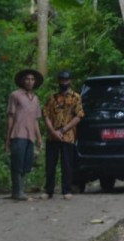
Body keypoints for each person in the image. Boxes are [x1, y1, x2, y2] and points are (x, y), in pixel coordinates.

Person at [43, 69, 84, 200]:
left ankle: (66, 190)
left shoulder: (76, 97)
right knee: (50, 165)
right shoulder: (52, 98)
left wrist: (63, 130)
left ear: (70, 81)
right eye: (61, 80)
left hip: (68, 136)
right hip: (52, 136)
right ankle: (48, 190)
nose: (63, 82)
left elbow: (79, 116)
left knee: (67, 164)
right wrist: (53, 132)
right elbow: (46, 115)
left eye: (66, 80)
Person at [6, 68, 44, 201]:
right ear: (22, 81)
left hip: (30, 135)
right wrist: (7, 138)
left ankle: (21, 190)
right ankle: (17, 191)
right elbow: (11, 117)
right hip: (18, 133)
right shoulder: (15, 95)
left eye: (32, 79)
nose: (30, 82)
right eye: (27, 79)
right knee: (17, 163)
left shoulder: (35, 99)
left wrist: (39, 138)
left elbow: (36, 120)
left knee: (27, 164)